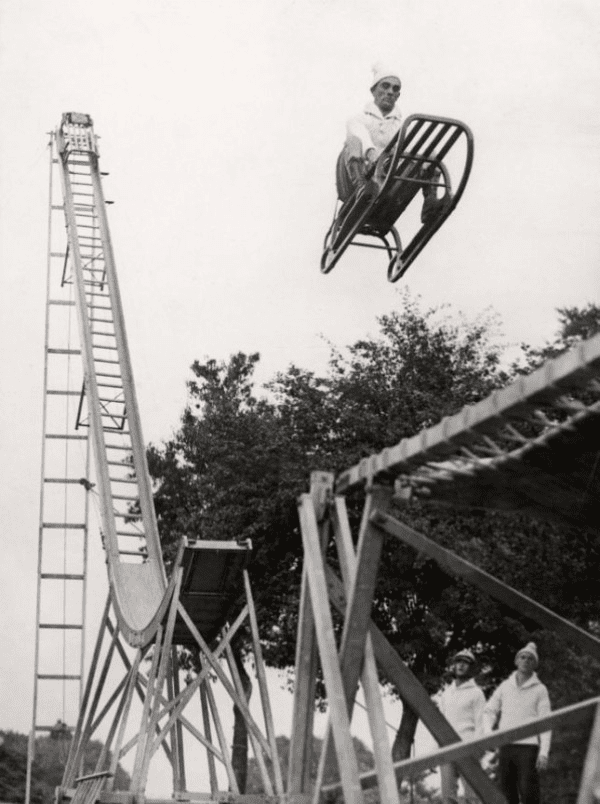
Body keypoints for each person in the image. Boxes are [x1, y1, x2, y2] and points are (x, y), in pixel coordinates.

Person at [336, 63, 442, 223]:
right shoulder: (360, 119)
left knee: (428, 150)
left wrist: (428, 158)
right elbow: (359, 133)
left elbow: (413, 148)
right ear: (374, 90)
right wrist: (370, 152)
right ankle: (362, 190)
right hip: (356, 180)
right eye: (385, 86)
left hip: (386, 183)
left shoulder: (399, 126)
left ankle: (430, 200)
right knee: (353, 140)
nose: (390, 92)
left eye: (395, 89)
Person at [483, 642, 551, 804]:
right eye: (522, 657)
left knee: (529, 792)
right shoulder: (505, 686)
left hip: (528, 747)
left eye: (530, 659)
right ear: (516, 661)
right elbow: (489, 710)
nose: (526, 660)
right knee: (507, 792)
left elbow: (546, 721)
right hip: (506, 745)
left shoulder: (540, 689)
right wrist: (488, 734)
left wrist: (544, 752)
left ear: (534, 665)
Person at [437, 648, 485, 804]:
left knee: (472, 795)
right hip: (447, 747)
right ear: (454, 665)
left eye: (466, 663)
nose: (461, 666)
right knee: (448, 797)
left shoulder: (476, 693)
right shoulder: (446, 693)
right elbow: (440, 722)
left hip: (468, 745)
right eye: (458, 662)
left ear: (471, 668)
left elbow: (481, 722)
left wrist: (478, 748)